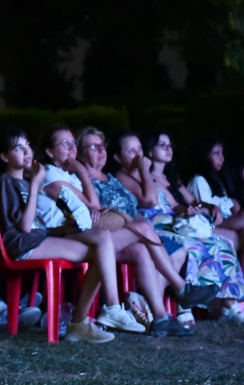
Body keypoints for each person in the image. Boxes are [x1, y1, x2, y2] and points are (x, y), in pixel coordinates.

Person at [0, 127, 126, 343]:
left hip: (40, 238)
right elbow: (25, 227)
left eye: (27, 146)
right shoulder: (6, 181)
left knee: (100, 251)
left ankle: (84, 320)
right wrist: (35, 185)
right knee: (100, 249)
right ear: (5, 157)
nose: (26, 152)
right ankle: (99, 313)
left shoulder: (25, 181)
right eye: (18, 148)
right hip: (22, 244)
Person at [75, 126, 216, 335]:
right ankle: (182, 288)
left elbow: (133, 210)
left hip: (125, 234)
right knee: (145, 228)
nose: (101, 150)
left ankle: (160, 318)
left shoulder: (110, 179)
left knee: (143, 248)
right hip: (100, 237)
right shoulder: (82, 177)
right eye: (93, 147)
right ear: (80, 153)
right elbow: (97, 211)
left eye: (102, 145)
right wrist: (135, 223)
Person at [114, 131, 244, 324]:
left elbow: (174, 205)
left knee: (221, 243)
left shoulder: (151, 177)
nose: (138, 154)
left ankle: (228, 302)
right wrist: (145, 172)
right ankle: (184, 305)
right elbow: (149, 200)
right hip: (154, 227)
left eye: (139, 148)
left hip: (173, 223)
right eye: (131, 151)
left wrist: (189, 211)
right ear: (118, 157)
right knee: (194, 247)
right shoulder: (123, 177)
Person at [188, 136, 244, 245]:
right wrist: (230, 204)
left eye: (222, 154)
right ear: (206, 156)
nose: (221, 158)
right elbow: (207, 211)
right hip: (211, 224)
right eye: (216, 154)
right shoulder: (199, 180)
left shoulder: (218, 180)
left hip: (225, 220)